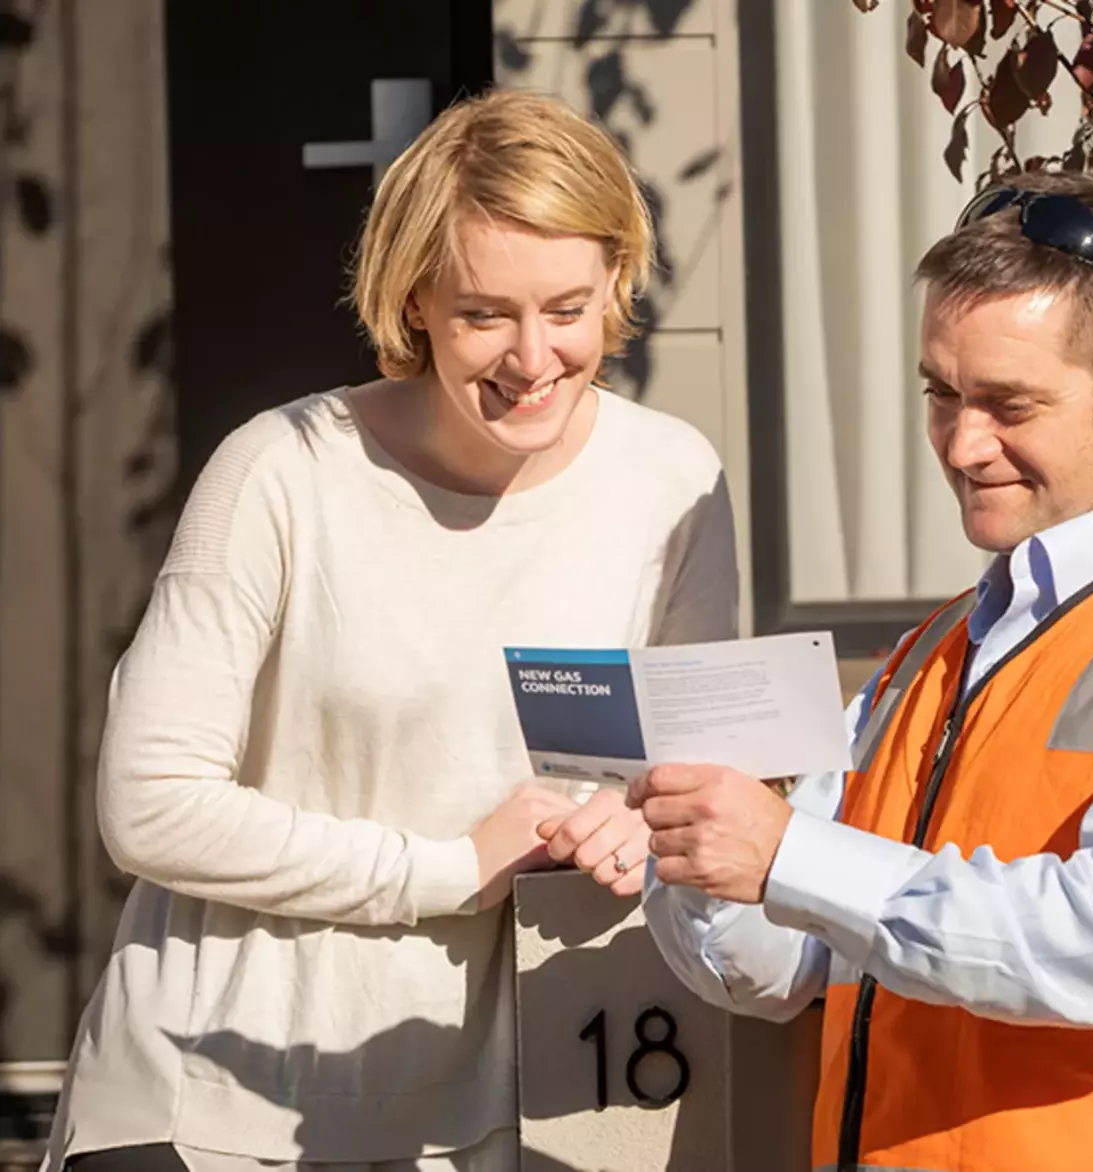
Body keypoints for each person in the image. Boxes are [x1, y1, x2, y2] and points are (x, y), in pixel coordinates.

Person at [43, 90, 738, 1172]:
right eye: (482, 313)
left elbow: (695, 773)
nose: (531, 355)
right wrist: (444, 866)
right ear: (413, 299)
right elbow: (149, 802)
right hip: (222, 1095)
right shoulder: (282, 470)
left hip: (517, 1098)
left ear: (617, 278)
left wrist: (639, 825)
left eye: (566, 307)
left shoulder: (674, 480)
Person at [637, 169, 1093, 1171]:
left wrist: (790, 856)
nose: (962, 442)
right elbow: (781, 966)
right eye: (942, 392)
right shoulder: (926, 655)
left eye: (1008, 403)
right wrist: (698, 854)